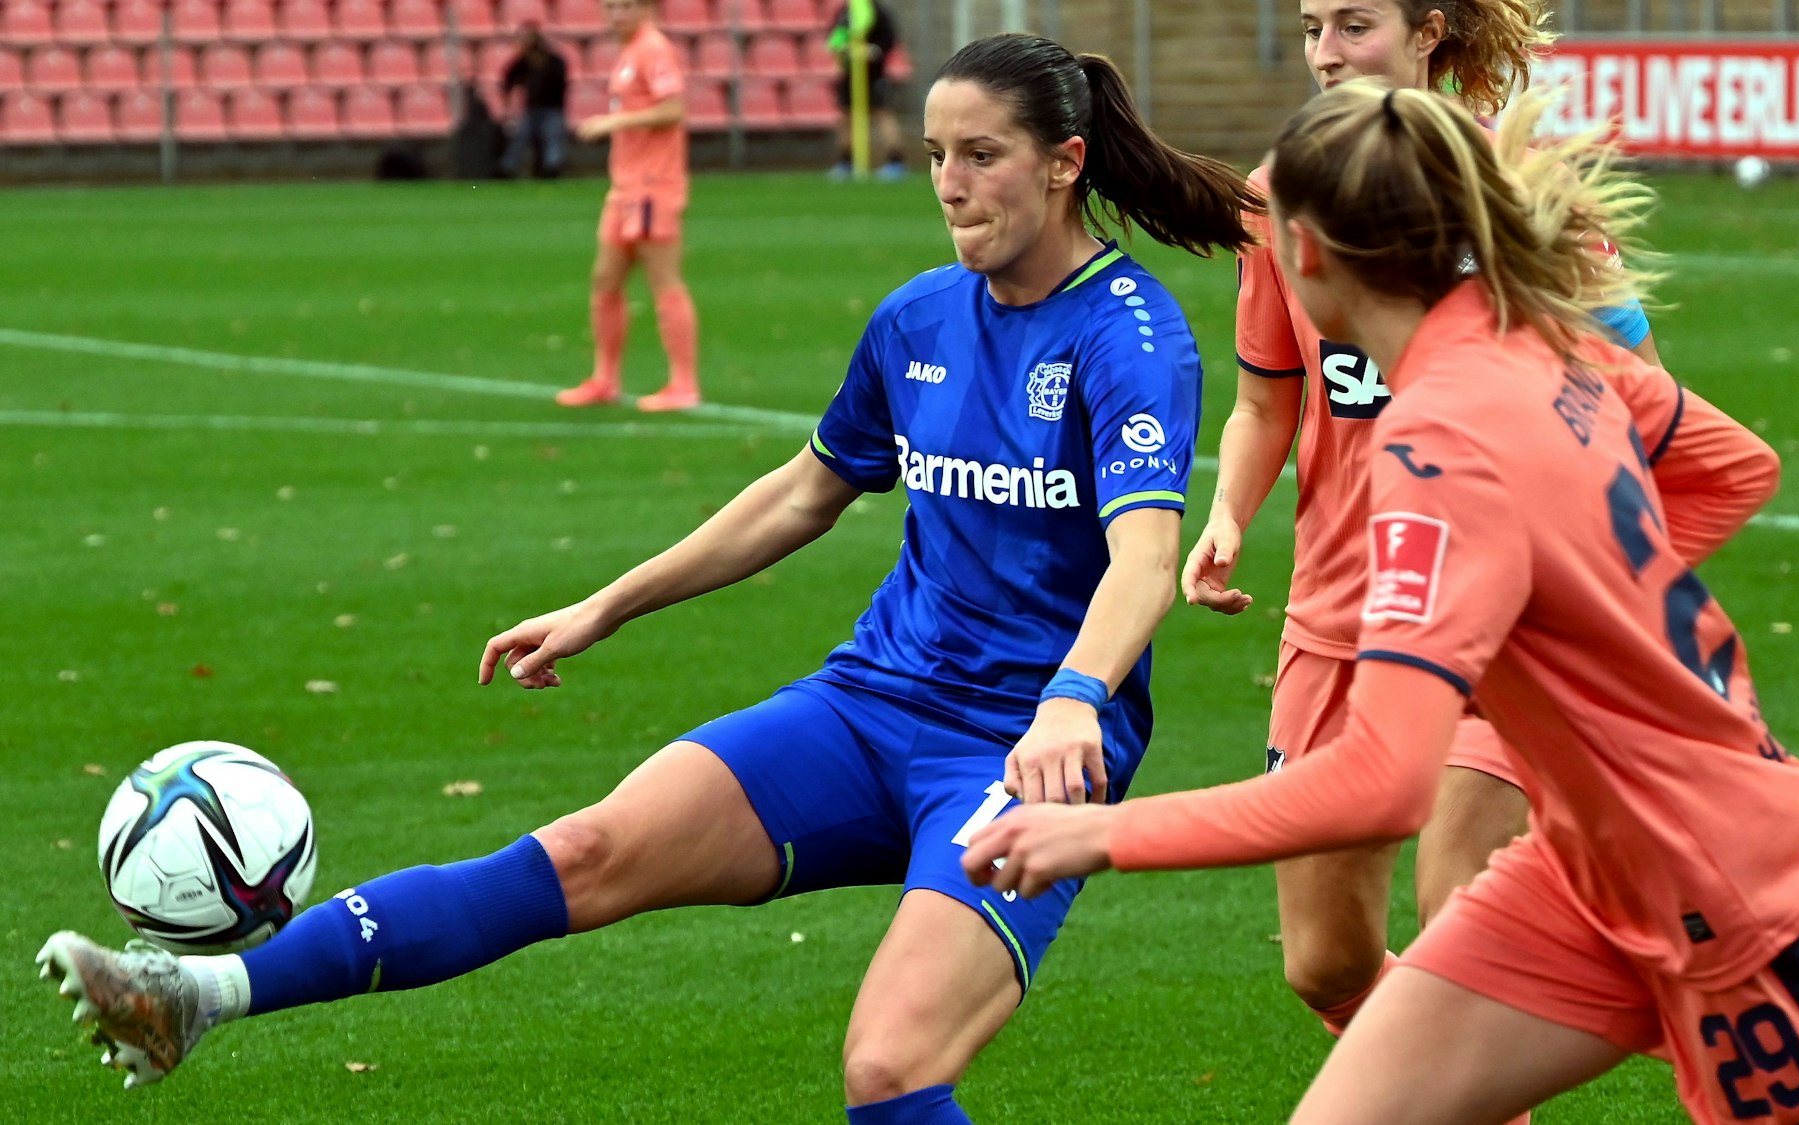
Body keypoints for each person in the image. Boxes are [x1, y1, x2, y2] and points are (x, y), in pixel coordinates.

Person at [36, 33, 1260, 1124]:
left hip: (1016, 752)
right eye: (936, 153)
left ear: (1063, 162)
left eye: (981, 155)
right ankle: (193, 992)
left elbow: (1142, 558)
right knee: (582, 853)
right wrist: (607, 602)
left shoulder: (1128, 336)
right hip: (867, 704)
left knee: (889, 1071)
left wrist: (1070, 702)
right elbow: (802, 490)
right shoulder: (917, 318)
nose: (947, 183)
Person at [964, 81, 1799, 1125]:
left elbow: (1381, 784)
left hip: (1744, 902)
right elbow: (1732, 466)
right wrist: (1563, 605)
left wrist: (1101, 836)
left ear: (1314, 257)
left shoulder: (1436, 439)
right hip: (1579, 881)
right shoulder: (1543, 341)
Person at [1179, 0, 1759, 1065]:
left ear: (1428, 30)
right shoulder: (1278, 197)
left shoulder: (1514, 189)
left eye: (1351, 25)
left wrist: (1571, 590)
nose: (1324, 54)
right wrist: (1226, 513)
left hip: (1493, 628)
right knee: (1325, 965)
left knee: (1461, 931)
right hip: (1337, 620)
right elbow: (1268, 400)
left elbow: (1643, 416)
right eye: (1310, 27)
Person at [555, 0, 700, 412]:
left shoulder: (654, 49)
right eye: (609, 7)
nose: (614, 15)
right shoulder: (630, 53)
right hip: (625, 187)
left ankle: (684, 384)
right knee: (605, 280)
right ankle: (605, 378)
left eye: (624, 6)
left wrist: (613, 122)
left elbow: (673, 109)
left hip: (654, 186)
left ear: (645, 9)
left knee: (664, 280)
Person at [826, 1, 907, 180]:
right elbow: (836, 37)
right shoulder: (845, 12)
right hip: (850, 75)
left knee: (882, 115)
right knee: (846, 118)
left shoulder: (877, 12)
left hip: (874, 75)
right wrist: (843, 48)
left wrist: (873, 51)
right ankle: (846, 162)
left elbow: (889, 39)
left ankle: (895, 162)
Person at [498, 23, 571, 178]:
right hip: (531, 108)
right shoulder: (523, 62)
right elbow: (507, 78)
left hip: (553, 108)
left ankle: (552, 168)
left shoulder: (554, 61)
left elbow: (561, 82)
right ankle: (506, 168)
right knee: (520, 138)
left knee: (553, 139)